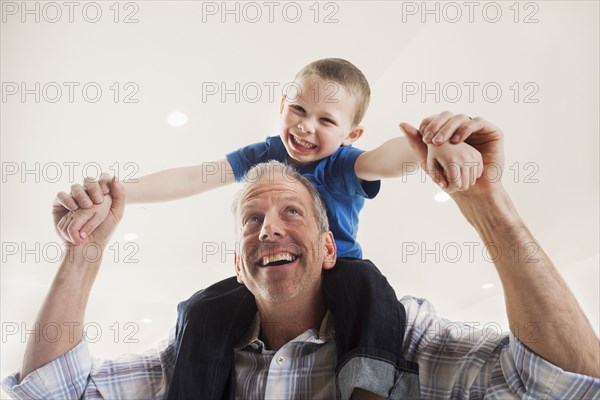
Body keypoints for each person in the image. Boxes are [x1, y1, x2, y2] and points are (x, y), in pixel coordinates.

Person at [3, 113, 599, 399]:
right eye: (252, 219)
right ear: (238, 264)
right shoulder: (188, 356)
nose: (268, 230)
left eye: (292, 213)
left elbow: (562, 383)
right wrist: (84, 250)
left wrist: (488, 205)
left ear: (328, 245)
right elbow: (50, 394)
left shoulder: (408, 339)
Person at [50, 58, 484, 397]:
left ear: (352, 134)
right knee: (202, 307)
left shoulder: (348, 163)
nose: (305, 125)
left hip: (341, 272)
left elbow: (387, 159)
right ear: (282, 106)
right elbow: (192, 176)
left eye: (326, 121)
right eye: (298, 108)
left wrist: (427, 147)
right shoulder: (265, 154)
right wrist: (119, 192)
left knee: (371, 289)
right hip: (274, 278)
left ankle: (370, 390)